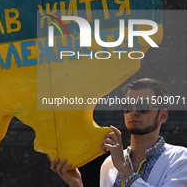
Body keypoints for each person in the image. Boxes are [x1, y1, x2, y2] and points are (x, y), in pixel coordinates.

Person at [49, 78, 187, 187]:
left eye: (143, 107)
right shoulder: (109, 164)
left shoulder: (180, 159)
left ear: (163, 116)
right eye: (128, 107)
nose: (133, 112)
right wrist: (77, 184)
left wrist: (122, 166)